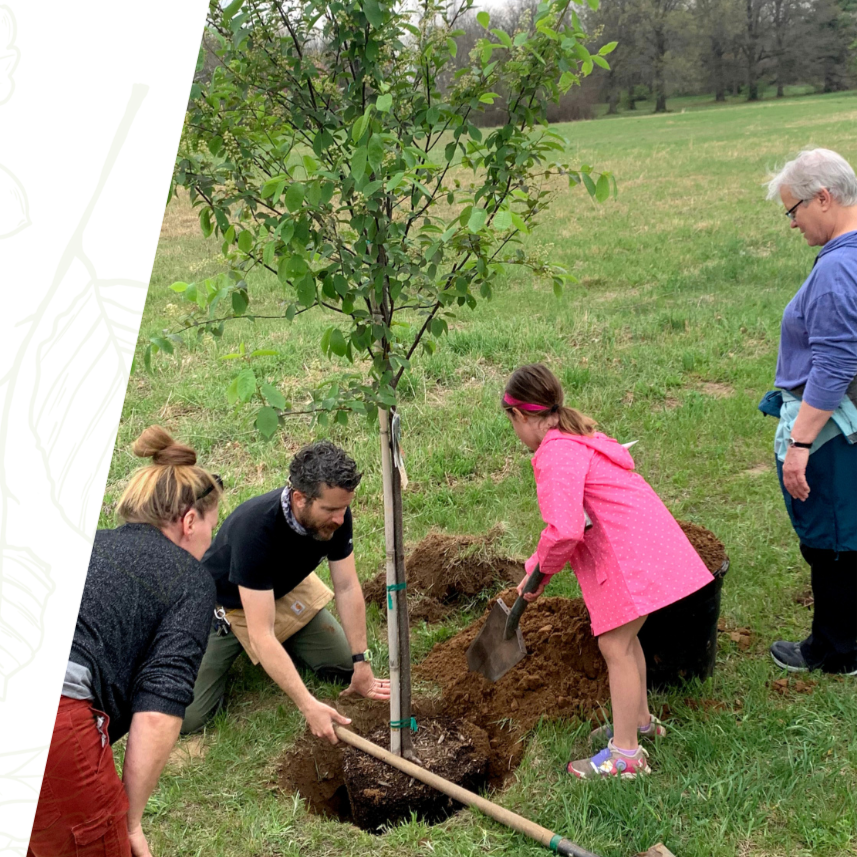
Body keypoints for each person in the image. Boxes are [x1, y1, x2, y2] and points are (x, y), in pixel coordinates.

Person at [504, 364, 714, 778]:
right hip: (647, 545)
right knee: (626, 639)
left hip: (629, 556)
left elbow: (564, 532)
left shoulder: (555, 454)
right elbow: (571, 523)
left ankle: (626, 757)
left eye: (512, 424)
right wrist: (535, 569)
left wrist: (539, 576)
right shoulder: (574, 436)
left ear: (520, 416)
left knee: (614, 648)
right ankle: (639, 724)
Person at [28, 427, 222, 857]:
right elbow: (158, 713)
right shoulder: (188, 579)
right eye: (212, 526)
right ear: (190, 521)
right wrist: (128, 820)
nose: (210, 541)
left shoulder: (87, 542)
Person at [181, 440, 389, 743]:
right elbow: (261, 634)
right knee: (191, 717)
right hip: (226, 605)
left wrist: (363, 662)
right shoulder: (254, 530)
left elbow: (346, 586)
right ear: (299, 498)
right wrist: (308, 705)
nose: (340, 519)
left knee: (345, 666)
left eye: (344, 508)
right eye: (330, 509)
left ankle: (286, 648)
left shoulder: (337, 515)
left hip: (282, 589)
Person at [761, 148, 857, 676]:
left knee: (833, 538)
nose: (793, 221)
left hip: (831, 432)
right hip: (844, 424)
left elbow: (836, 361)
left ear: (824, 197)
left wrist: (799, 444)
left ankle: (838, 651)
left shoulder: (840, 267)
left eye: (794, 208)